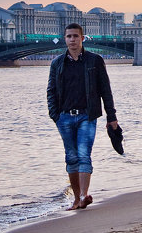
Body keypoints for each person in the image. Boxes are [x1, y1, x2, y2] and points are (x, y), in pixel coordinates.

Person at [47, 23, 119, 210]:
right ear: (65, 39)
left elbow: (106, 90)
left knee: (83, 155)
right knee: (71, 157)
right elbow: (51, 91)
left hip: (87, 117)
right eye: (69, 36)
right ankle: (76, 200)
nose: (72, 40)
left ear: (82, 38)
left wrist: (112, 117)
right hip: (64, 117)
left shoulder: (94, 61)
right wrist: (55, 115)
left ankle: (82, 195)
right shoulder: (57, 63)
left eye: (75, 36)